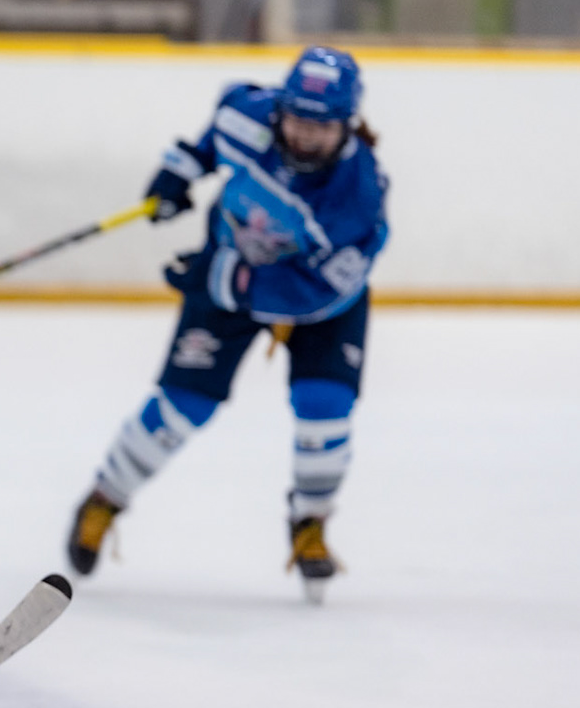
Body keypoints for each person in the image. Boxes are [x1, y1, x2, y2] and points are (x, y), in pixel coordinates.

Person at [65, 46, 389, 603]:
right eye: (298, 120)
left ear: (348, 125)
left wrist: (220, 277)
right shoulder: (248, 114)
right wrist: (178, 173)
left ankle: (310, 522)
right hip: (228, 271)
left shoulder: (358, 196)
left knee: (324, 406)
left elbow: (315, 288)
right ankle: (104, 498)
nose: (306, 136)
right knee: (182, 406)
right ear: (281, 108)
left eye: (322, 127)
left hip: (321, 306)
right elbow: (209, 142)